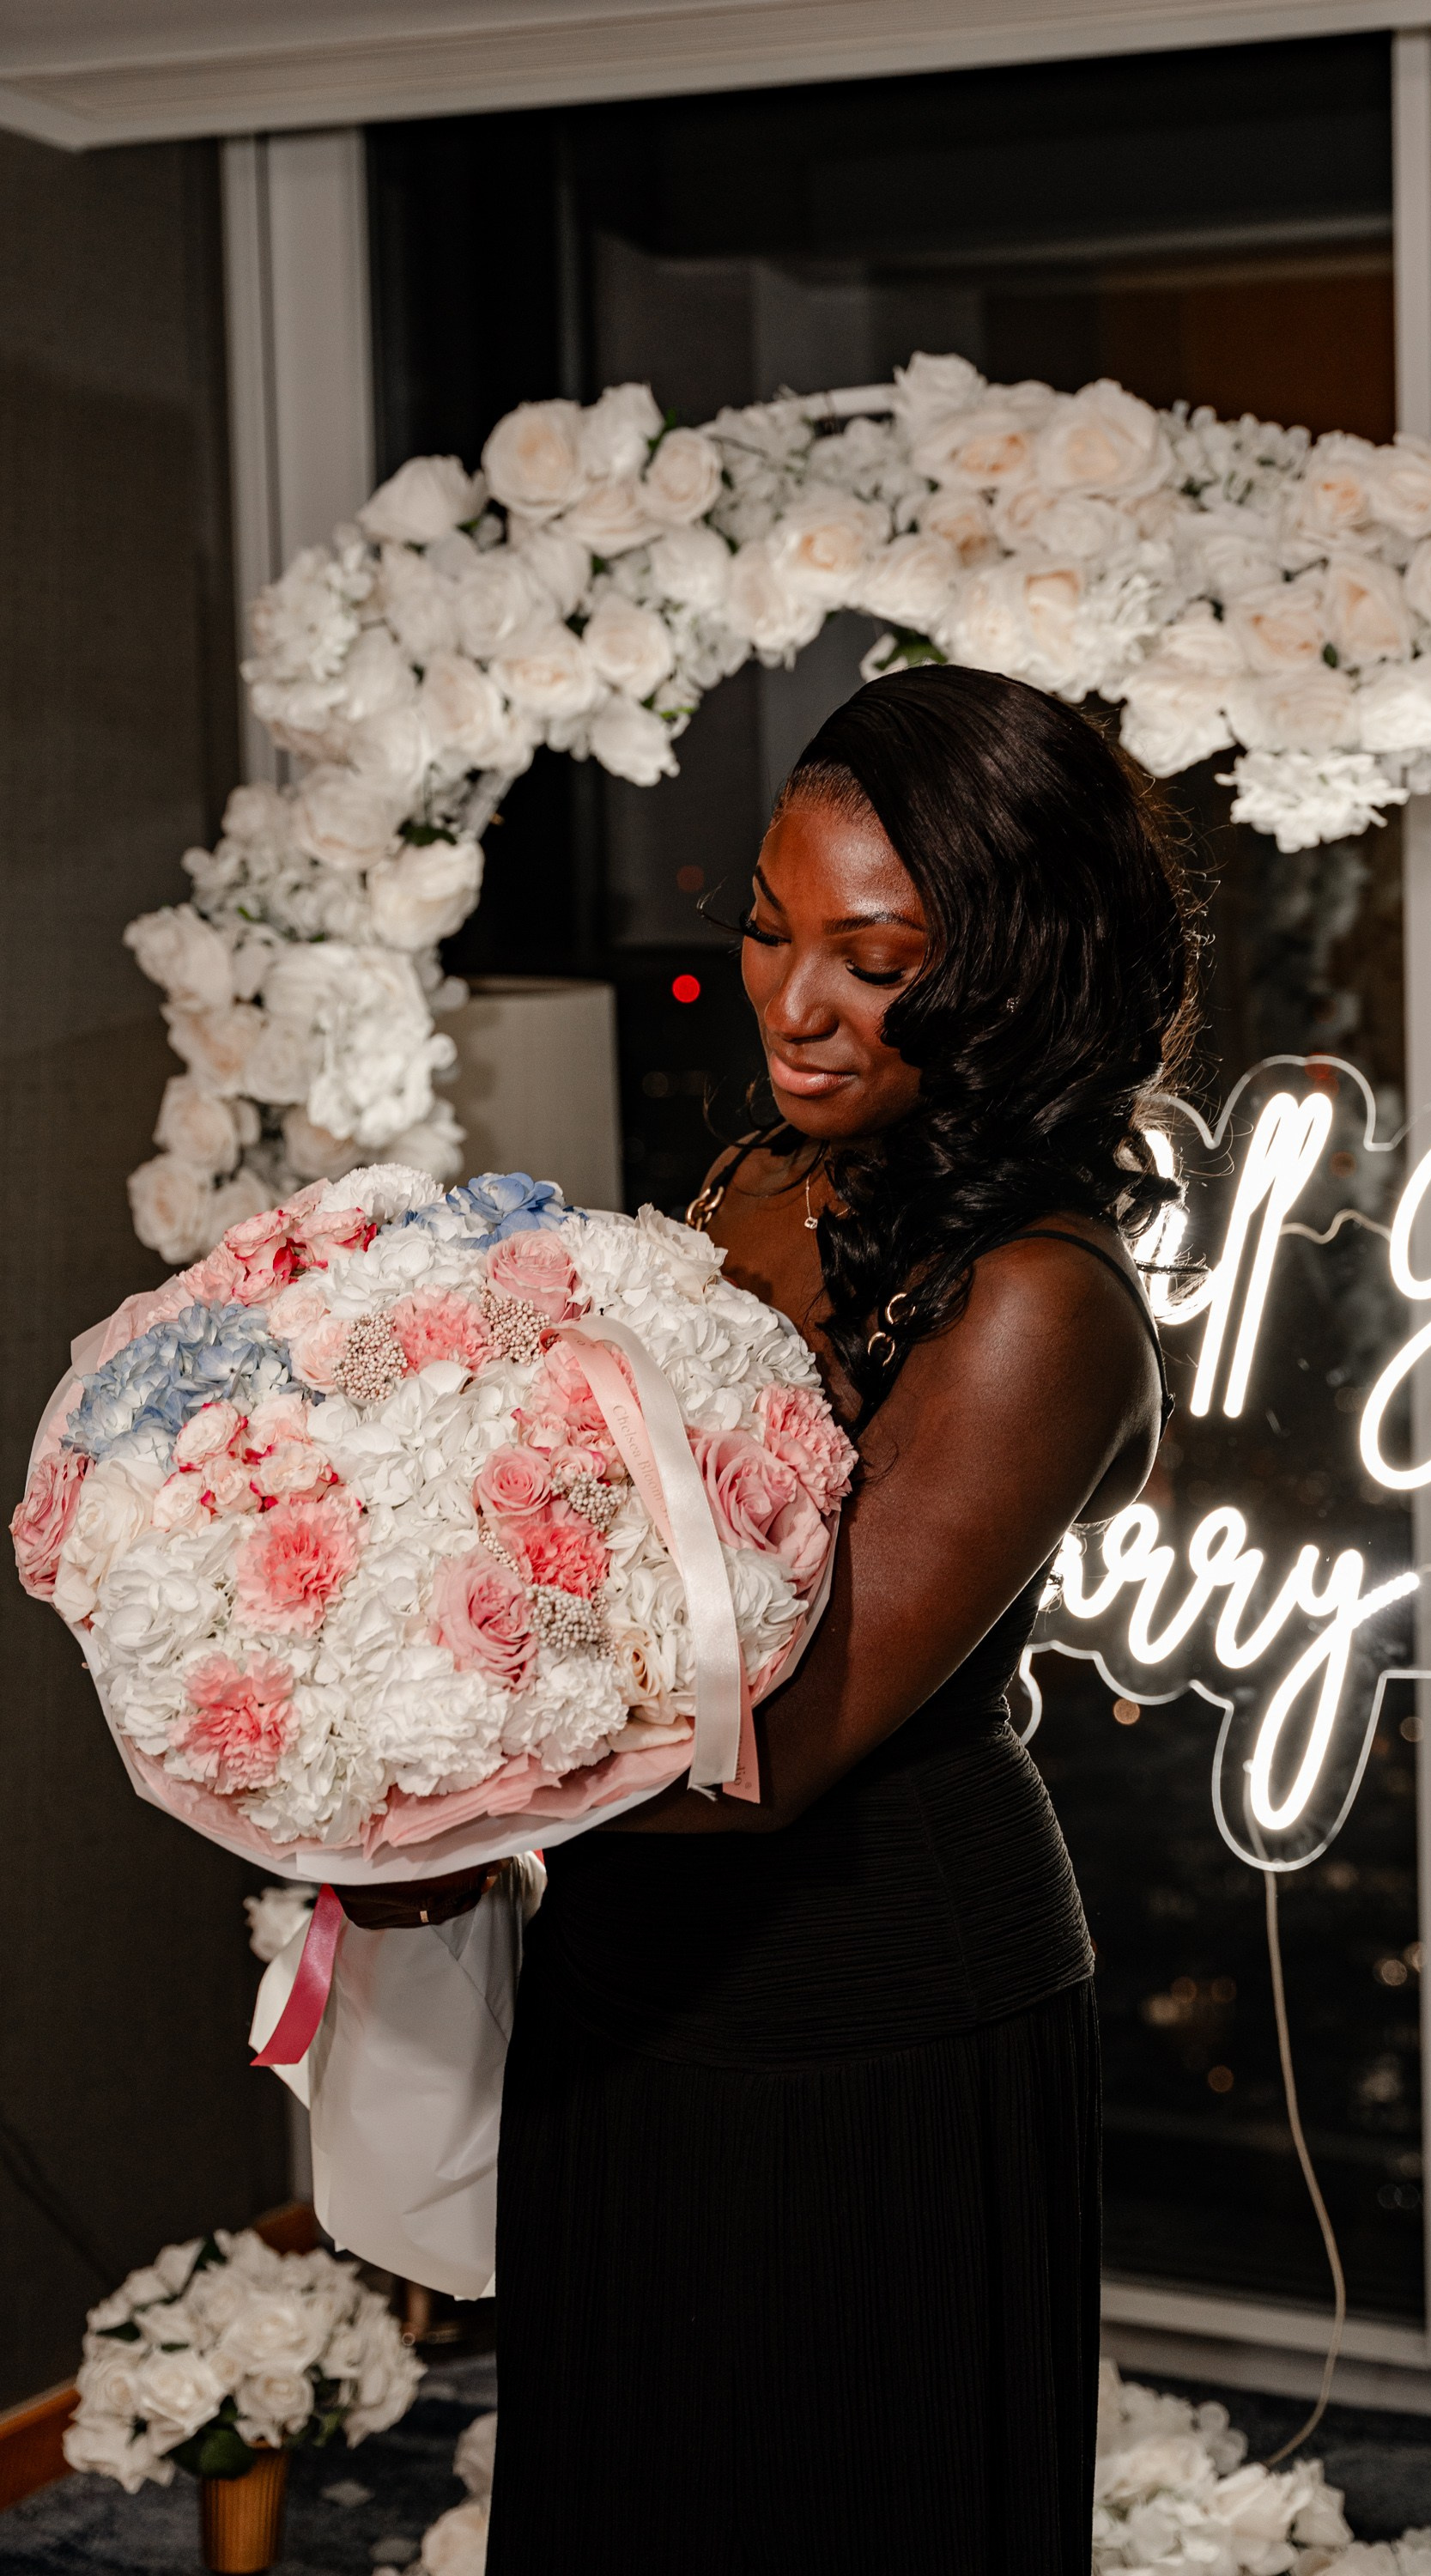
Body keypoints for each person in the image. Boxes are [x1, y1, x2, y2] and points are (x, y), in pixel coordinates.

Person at [371, 664, 1193, 2573]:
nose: (791, 1003)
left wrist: (405, 1799)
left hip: (874, 2004)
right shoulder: (758, 1174)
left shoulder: (1038, 1305)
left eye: (874, 960)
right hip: (627, 1962)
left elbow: (778, 1747)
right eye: (765, 927)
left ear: (1019, 973)